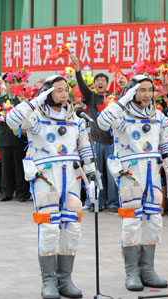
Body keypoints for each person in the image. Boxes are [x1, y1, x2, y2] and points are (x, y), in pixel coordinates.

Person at [7, 75, 95, 299]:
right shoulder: (35, 118)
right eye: (58, 90)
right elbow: (12, 120)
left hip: (73, 179)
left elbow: (84, 147)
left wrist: (92, 176)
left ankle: (65, 279)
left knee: (72, 229)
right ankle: (48, 281)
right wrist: (36, 101)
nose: (65, 94)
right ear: (47, 93)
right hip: (46, 178)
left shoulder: (76, 119)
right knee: (49, 228)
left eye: (66, 89)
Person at [98, 75, 168, 291]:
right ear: (132, 92)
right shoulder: (121, 115)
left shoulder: (158, 116)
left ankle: (148, 269)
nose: (147, 94)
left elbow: (167, 142)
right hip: (130, 174)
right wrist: (123, 100)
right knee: (132, 222)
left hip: (152, 172)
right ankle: (131, 271)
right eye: (142, 90)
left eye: (150, 90)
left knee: (153, 221)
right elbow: (102, 122)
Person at [71, 55, 119, 212]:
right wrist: (78, 69)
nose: (100, 82)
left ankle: (113, 202)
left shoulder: (112, 100)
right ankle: (98, 201)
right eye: (97, 80)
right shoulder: (91, 97)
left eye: (103, 80)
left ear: (107, 84)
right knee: (96, 173)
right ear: (95, 84)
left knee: (112, 174)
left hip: (110, 142)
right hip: (95, 141)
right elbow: (82, 85)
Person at [0, 73, 30, 202]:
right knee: (6, 167)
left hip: (19, 137)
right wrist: (0, 116)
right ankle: (6, 192)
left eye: (14, 83)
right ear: (5, 84)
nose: (11, 85)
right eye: (9, 83)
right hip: (4, 137)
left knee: (19, 167)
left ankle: (21, 193)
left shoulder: (21, 99)